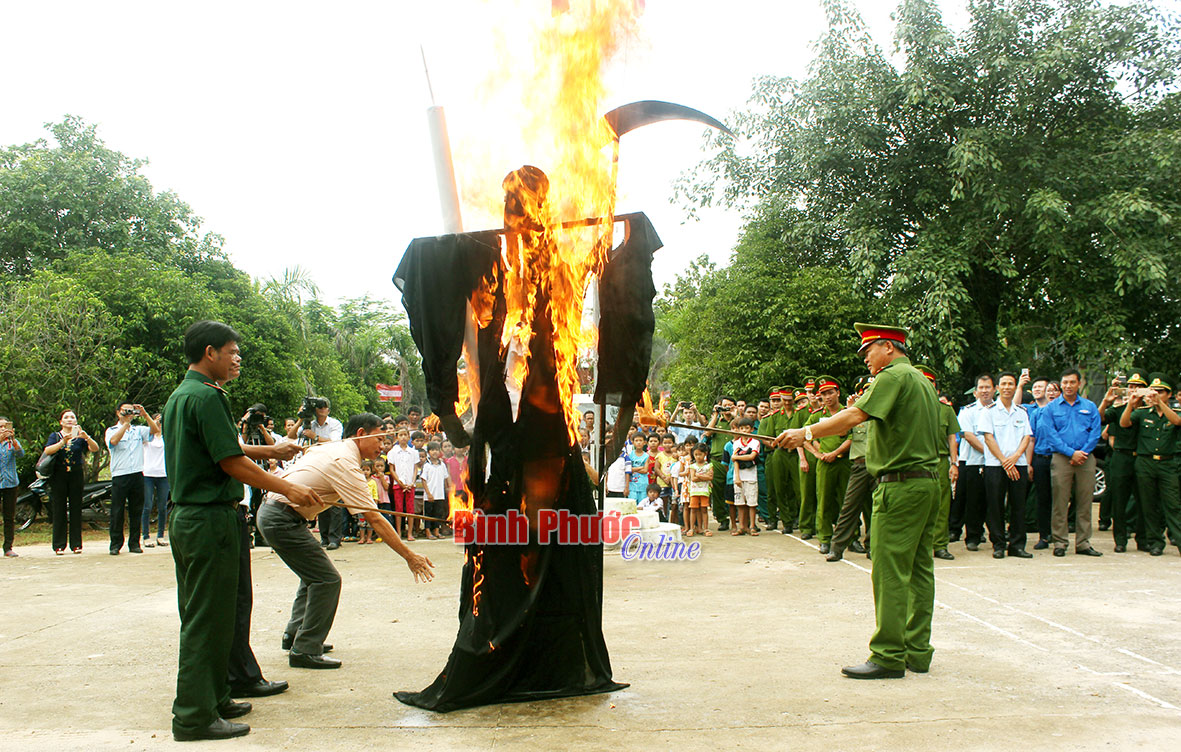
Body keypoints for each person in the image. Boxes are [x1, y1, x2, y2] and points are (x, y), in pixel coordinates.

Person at [164, 320, 321, 742]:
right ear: (210, 352)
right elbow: (229, 463)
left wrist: (271, 450)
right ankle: (194, 715)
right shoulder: (208, 396)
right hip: (208, 518)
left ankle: (218, 694)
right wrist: (289, 487)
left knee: (223, 611)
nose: (237, 360)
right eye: (232, 352)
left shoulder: (184, 395)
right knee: (206, 618)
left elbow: (222, 448)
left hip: (195, 516)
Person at [775, 323, 941, 679]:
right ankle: (917, 650)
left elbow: (854, 416)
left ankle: (888, 655)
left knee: (890, 570)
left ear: (888, 347)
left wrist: (804, 432)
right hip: (926, 483)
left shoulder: (893, 377)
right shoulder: (921, 381)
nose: (865, 358)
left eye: (868, 351)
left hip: (900, 486)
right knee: (920, 568)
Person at [257, 412, 435, 670]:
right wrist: (410, 556)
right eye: (379, 439)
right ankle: (305, 649)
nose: (383, 446)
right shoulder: (346, 461)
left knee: (313, 576)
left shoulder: (332, 447)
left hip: (277, 513)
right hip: (281, 517)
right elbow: (374, 519)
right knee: (327, 580)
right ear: (361, 434)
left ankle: (295, 634)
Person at [1119, 373, 1181, 556]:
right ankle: (1155, 542)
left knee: (1173, 505)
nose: (1156, 394)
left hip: (1167, 463)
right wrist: (1131, 403)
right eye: (1154, 391)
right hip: (1145, 463)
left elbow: (1176, 421)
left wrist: (1159, 403)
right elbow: (1124, 423)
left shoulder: (1174, 413)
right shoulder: (1143, 412)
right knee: (1149, 504)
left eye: (1161, 392)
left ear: (1168, 394)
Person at [1043, 368, 1103, 557]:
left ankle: (1083, 542)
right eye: (1065, 382)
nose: (1068, 386)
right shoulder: (1051, 408)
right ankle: (1060, 542)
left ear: (1079, 384)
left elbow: (1095, 432)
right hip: (1062, 458)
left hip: (1085, 458)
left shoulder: (1089, 406)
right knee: (1060, 502)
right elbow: (1050, 435)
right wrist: (1071, 453)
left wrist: (1083, 452)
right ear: (1061, 384)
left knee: (1085, 502)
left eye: (1072, 382)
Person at [978, 372, 1033, 559]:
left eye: (1011, 383)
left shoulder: (1022, 412)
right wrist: (1004, 460)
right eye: (1004, 384)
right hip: (995, 465)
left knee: (1018, 505)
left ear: (1015, 386)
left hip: (1019, 464)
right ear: (997, 388)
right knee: (995, 505)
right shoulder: (989, 411)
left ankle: (1017, 545)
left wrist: (1016, 457)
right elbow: (988, 437)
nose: (1007, 387)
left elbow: (1027, 437)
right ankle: (999, 544)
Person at [912, 367, 959, 561]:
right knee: (915, 505)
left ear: (936, 389)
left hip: (939, 460)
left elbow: (951, 438)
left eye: (930, 383)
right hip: (916, 462)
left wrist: (954, 463)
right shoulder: (909, 408)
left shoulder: (946, 410)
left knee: (941, 504)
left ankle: (939, 545)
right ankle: (916, 545)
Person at [827, 378, 874, 562]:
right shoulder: (855, 414)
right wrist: (849, 410)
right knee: (849, 507)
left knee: (875, 510)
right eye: (865, 391)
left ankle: (872, 546)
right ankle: (837, 548)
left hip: (878, 465)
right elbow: (840, 432)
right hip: (860, 465)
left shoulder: (882, 412)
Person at [1100, 371, 1147, 552]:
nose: (1134, 390)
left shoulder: (1147, 411)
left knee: (1144, 500)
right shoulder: (1119, 410)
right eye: (1131, 387)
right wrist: (1106, 401)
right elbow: (1099, 418)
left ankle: (1143, 539)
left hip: (1142, 457)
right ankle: (1120, 539)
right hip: (1121, 456)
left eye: (1139, 387)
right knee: (1119, 500)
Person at [105, 402, 160, 555]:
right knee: (117, 510)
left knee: (136, 510)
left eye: (131, 410)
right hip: (120, 475)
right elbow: (113, 442)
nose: (128, 413)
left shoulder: (138, 430)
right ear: (118, 413)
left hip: (136, 473)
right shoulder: (112, 430)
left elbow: (154, 431)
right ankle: (115, 544)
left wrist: (145, 415)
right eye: (125, 411)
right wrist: (125, 424)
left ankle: (134, 543)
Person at [44, 409, 100, 554]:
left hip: (75, 474)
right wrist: (63, 441)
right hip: (59, 475)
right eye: (66, 417)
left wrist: (86, 437)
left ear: (76, 421)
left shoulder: (80, 437)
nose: (70, 419)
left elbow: (95, 448)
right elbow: (48, 451)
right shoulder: (55, 436)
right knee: (59, 509)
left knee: (76, 508)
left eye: (72, 417)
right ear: (61, 421)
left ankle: (76, 544)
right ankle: (58, 545)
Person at [808, 376, 851, 555]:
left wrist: (835, 453)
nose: (827, 397)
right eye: (824, 394)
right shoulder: (817, 416)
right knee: (824, 501)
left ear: (838, 393)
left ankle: (852, 537)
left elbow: (853, 436)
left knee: (847, 502)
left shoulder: (848, 412)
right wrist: (818, 453)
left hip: (844, 461)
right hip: (825, 463)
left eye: (830, 392)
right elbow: (807, 436)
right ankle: (825, 539)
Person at [950, 374, 993, 549]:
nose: (984, 391)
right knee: (972, 500)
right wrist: (993, 453)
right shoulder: (968, 411)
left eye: (988, 387)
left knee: (992, 500)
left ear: (994, 389)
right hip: (973, 461)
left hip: (996, 463)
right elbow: (967, 435)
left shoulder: (998, 411)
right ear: (975, 392)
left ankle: (992, 532)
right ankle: (973, 536)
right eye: (981, 388)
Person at [1025, 376, 1057, 549]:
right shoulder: (1037, 413)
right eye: (1048, 390)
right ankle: (1044, 536)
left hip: (1060, 459)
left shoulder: (1064, 412)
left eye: (1054, 390)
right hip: (1041, 459)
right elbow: (1032, 440)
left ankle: (1059, 535)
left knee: (1059, 499)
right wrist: (1029, 464)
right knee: (1042, 498)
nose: (1051, 393)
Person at [703, 396, 736, 531]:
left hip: (735, 461)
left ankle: (739, 518)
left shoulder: (737, 421)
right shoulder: (717, 422)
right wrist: (716, 415)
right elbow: (707, 432)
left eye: (730, 405)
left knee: (736, 490)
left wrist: (735, 414)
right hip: (717, 461)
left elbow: (745, 429)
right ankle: (722, 518)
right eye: (724, 405)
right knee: (717, 490)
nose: (727, 408)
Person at [141, 413, 169, 548]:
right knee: (147, 505)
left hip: (163, 474)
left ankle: (160, 535)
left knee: (163, 506)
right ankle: (146, 536)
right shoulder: (147, 436)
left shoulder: (167, 437)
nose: (159, 423)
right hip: (147, 473)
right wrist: (152, 422)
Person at [731, 419, 760, 535]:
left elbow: (752, 456)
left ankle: (752, 526)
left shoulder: (755, 442)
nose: (744, 431)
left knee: (752, 503)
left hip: (751, 475)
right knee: (740, 502)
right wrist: (737, 477)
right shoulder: (737, 443)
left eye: (746, 428)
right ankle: (741, 527)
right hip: (739, 476)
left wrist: (737, 457)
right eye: (741, 428)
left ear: (752, 429)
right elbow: (734, 461)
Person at [0, 417, 23, 557]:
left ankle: (8, 547)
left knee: (9, 516)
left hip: (10, 483)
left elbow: (21, 454)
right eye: (0, 427)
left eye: (5, 426)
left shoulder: (11, 442)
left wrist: (13, 440)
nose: (3, 429)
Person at [421, 441, 450, 540]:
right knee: (428, 514)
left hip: (440, 494)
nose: (435, 452)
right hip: (429, 494)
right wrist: (428, 493)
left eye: (437, 450)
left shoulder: (442, 465)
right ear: (428, 452)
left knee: (438, 513)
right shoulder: (426, 465)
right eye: (432, 450)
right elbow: (424, 480)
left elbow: (446, 478)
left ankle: (436, 531)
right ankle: (428, 531)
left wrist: (448, 488)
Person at [687, 443, 713, 537]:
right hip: (694, 491)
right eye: (696, 454)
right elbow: (693, 478)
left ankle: (705, 528)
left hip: (704, 490)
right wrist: (704, 476)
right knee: (693, 510)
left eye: (700, 454)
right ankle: (691, 528)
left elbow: (710, 477)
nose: (698, 457)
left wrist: (698, 475)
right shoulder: (693, 466)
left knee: (704, 509)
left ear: (705, 454)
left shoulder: (709, 465)